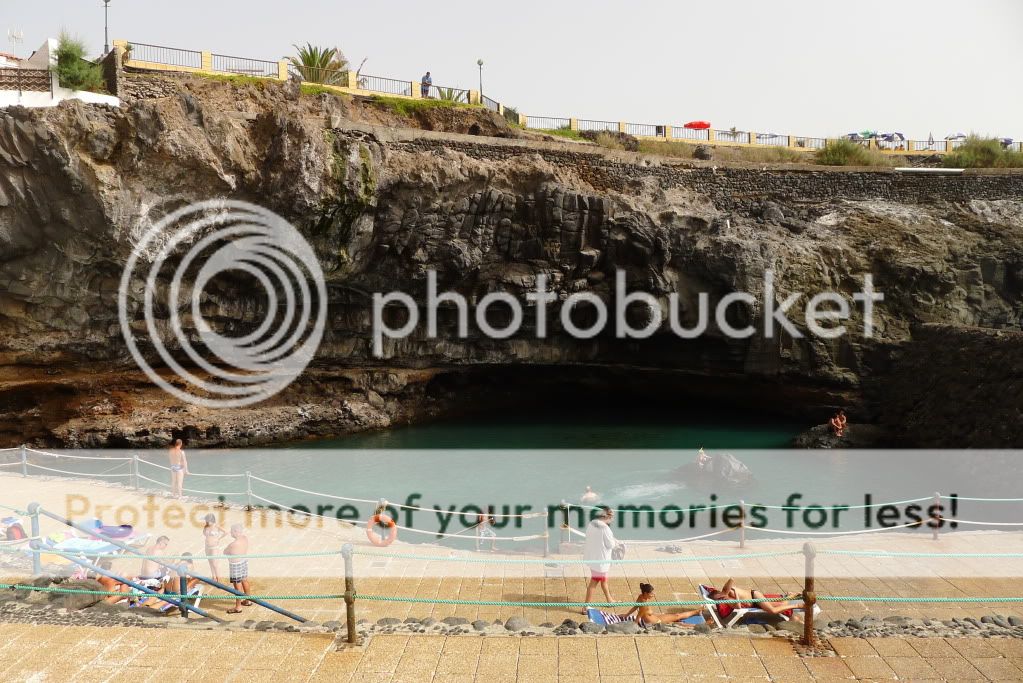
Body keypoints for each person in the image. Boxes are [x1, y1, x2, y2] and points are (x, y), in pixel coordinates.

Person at [708, 578, 805, 620]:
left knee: (773, 610)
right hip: (754, 603)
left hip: (755, 596)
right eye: (718, 600)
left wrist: (730, 590)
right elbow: (738, 607)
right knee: (782, 605)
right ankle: (791, 595)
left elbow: (731, 579)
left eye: (718, 597)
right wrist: (737, 595)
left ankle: (797, 605)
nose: (720, 599)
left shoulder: (726, 591)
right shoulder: (727, 600)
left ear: (718, 593)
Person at [582, 505, 617, 614]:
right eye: (612, 516)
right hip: (600, 560)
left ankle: (609, 600)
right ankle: (585, 607)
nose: (612, 519)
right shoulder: (605, 529)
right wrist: (615, 541)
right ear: (607, 516)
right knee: (594, 583)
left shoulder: (592, 523)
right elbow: (610, 545)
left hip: (592, 557)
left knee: (604, 580)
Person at [621, 583, 702, 626]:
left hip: (653, 618)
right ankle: (697, 618)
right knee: (677, 618)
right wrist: (634, 625)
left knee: (675, 618)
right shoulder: (644, 605)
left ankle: (697, 612)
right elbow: (638, 616)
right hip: (655, 622)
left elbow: (635, 607)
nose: (653, 595)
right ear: (645, 593)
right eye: (651, 593)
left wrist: (626, 614)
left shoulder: (641, 596)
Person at [224, 524, 251, 614]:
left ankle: (238, 607)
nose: (230, 533)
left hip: (235, 565)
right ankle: (248, 600)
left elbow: (225, 552)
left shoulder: (233, 544)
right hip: (243, 561)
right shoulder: (245, 538)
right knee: (245, 580)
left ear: (236, 531)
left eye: (232, 531)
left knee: (237, 586)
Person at [202, 512, 227, 581]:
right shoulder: (206, 526)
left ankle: (218, 579)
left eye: (208, 521)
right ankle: (213, 578)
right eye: (206, 521)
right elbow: (205, 534)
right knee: (210, 562)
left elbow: (226, 532)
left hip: (214, 547)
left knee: (215, 564)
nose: (207, 522)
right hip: (207, 546)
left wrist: (218, 538)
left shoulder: (216, 526)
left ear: (212, 520)